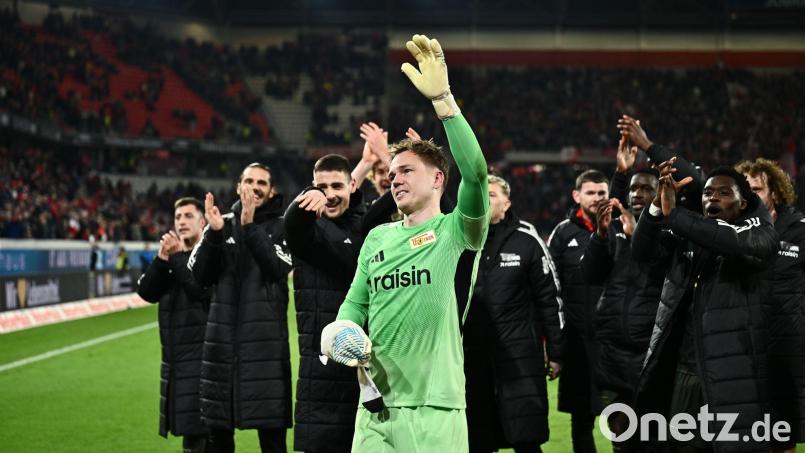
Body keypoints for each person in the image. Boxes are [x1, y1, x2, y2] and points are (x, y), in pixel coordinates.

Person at [321, 34, 489, 452]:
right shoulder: (377, 237)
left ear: (437, 179)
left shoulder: (458, 232)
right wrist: (341, 330)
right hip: (374, 409)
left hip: (436, 408)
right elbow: (356, 303)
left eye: (407, 171)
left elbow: (476, 174)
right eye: (392, 173)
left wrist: (444, 102)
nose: (395, 178)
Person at [631, 162, 779, 452]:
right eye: (708, 192)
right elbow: (642, 252)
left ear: (743, 203)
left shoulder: (760, 233)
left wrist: (675, 214)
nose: (714, 198)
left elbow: (727, 239)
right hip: (687, 369)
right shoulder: (690, 234)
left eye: (724, 193)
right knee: (684, 447)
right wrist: (656, 208)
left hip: (734, 370)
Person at [188, 163, 293, 453]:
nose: (255, 187)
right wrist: (214, 235)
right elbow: (199, 277)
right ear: (238, 187)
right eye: (249, 181)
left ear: (271, 191)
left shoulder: (282, 227)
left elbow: (276, 268)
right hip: (221, 351)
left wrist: (249, 226)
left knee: (272, 441)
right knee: (219, 439)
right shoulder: (219, 224)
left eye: (262, 183)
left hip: (266, 353)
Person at [463, 174, 563, 453]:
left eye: (492, 195)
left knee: (525, 439)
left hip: (520, 357)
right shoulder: (462, 241)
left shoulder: (527, 241)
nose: (484, 200)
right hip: (474, 358)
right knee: (478, 440)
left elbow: (550, 299)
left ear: (507, 204)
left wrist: (556, 352)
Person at [283, 154, 375, 453]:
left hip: (370, 364)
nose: (330, 194)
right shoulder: (308, 231)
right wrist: (304, 199)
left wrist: (379, 160)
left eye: (337, 186)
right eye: (321, 187)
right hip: (321, 370)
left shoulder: (369, 226)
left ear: (352, 185)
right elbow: (292, 224)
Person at [580, 135, 662, 452]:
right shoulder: (615, 229)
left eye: (646, 189)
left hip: (649, 354)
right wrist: (601, 236)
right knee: (621, 438)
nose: (637, 194)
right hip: (613, 352)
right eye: (634, 189)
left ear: (660, 195)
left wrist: (638, 236)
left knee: (654, 438)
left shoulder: (669, 230)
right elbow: (591, 274)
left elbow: (661, 273)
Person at [736, 158, 805, 453]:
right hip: (744, 346)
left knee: (782, 436)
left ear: (774, 192)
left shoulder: (799, 230)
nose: (750, 196)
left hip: (786, 349)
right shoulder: (732, 231)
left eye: (757, 189)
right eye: (745, 191)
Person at [137, 197, 212, 452]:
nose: (181, 221)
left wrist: (177, 258)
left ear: (202, 222)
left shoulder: (210, 255)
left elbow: (199, 292)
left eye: (188, 216)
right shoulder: (172, 260)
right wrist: (161, 260)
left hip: (203, 360)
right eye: (178, 217)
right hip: (177, 362)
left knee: (203, 435)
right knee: (191, 436)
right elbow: (147, 293)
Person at [547, 169, 609, 453]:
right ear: (576, 195)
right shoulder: (563, 233)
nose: (596, 198)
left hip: (612, 342)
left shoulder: (619, 227)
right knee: (581, 421)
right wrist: (555, 343)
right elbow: (551, 288)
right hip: (577, 342)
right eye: (590, 192)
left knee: (624, 417)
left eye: (602, 193)